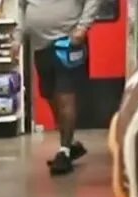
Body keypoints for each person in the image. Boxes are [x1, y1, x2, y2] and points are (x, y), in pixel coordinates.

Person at [20, 0, 101, 176]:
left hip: (68, 43)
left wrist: (83, 27)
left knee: (66, 96)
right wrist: (17, 37)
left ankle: (64, 151)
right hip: (40, 46)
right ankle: (69, 143)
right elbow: (23, 7)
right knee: (50, 95)